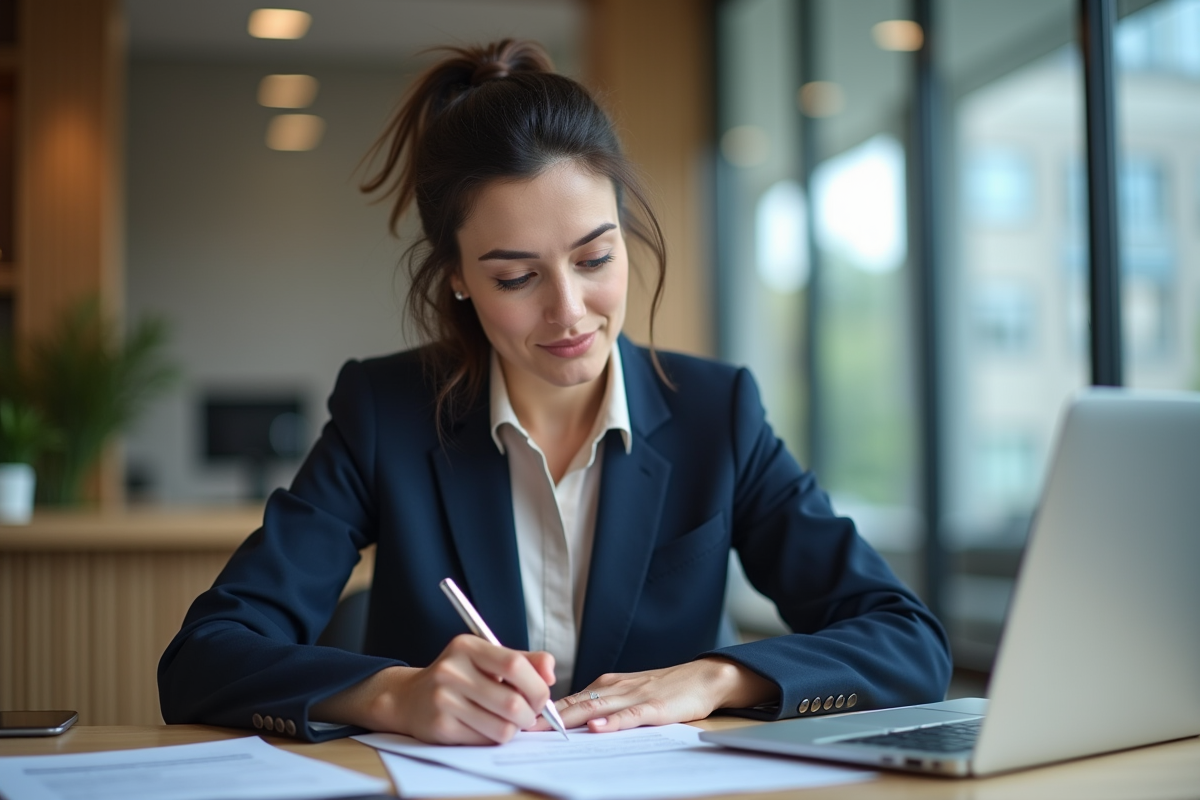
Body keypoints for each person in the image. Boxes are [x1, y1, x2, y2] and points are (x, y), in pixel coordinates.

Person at [158, 39, 951, 745]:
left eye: (595, 259)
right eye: (516, 276)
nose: (568, 311)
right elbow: (204, 657)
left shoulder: (720, 413)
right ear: (460, 280)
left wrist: (714, 677)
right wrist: (395, 695)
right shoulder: (385, 413)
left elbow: (908, 640)